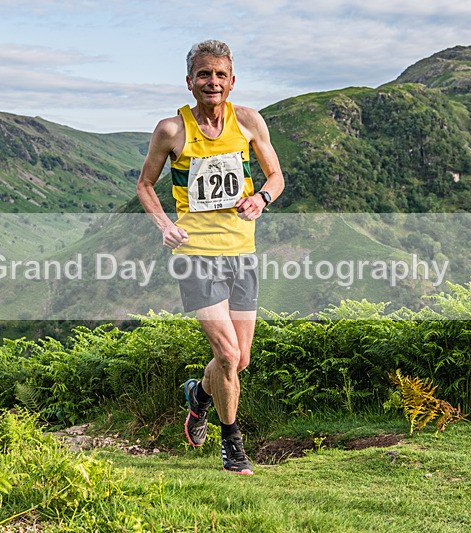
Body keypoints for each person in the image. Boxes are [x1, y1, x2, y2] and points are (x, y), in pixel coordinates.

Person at [136, 39, 284, 476]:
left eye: (220, 75)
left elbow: (275, 176)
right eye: (204, 74)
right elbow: (145, 185)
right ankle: (232, 442)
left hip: (243, 253)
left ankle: (199, 396)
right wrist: (165, 225)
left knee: (240, 360)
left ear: (232, 81)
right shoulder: (171, 130)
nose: (212, 82)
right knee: (224, 353)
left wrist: (261, 198)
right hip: (196, 254)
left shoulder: (249, 122)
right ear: (189, 81)